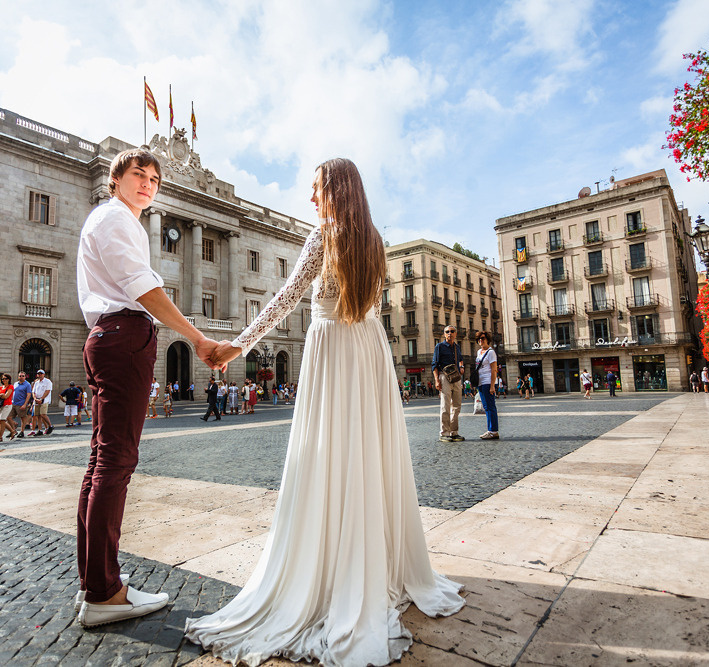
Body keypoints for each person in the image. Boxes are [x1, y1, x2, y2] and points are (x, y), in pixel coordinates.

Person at [188, 157, 464, 666]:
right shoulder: (373, 238)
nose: (311, 198)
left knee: (329, 451)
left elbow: (284, 300)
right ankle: (370, 557)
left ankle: (331, 562)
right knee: (366, 450)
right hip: (369, 349)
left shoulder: (325, 235)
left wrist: (237, 347)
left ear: (335, 190)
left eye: (316, 189)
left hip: (333, 349)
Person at [74, 147, 220, 627]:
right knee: (115, 463)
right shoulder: (116, 220)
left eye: (155, 178)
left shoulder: (116, 221)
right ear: (116, 180)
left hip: (110, 337)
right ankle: (104, 593)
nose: (148, 183)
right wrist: (197, 336)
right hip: (123, 338)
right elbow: (143, 287)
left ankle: (98, 583)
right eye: (139, 174)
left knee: (101, 463)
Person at [432, 325, 464, 442]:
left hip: (456, 377)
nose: (449, 333)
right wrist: (437, 380)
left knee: (457, 405)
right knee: (445, 405)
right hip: (444, 377)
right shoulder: (439, 347)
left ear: (456, 334)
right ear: (444, 334)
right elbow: (434, 364)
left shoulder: (457, 347)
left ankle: (454, 432)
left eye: (452, 331)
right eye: (447, 332)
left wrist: (462, 366)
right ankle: (444, 433)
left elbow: (460, 359)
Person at [474, 331, 499, 439]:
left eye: (483, 338)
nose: (481, 340)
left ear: (487, 339)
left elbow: (494, 370)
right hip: (480, 382)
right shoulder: (479, 352)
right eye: (479, 339)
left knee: (490, 407)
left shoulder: (491, 352)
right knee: (486, 407)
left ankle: (493, 431)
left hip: (488, 382)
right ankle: (491, 430)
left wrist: (492, 385)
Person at [29, 369, 54, 436]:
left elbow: (47, 391)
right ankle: (40, 430)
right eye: (38, 374)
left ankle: (50, 425)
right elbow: (33, 392)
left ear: (44, 374)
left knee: (43, 414)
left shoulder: (47, 381)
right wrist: (35, 398)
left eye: (41, 374)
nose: (39, 375)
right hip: (36, 400)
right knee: (38, 416)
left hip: (44, 400)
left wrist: (41, 398)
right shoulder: (36, 382)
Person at [0, 374, 16, 442]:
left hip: (7, 405)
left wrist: (0, 395)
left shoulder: (10, 387)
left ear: (9, 379)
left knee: (2, 420)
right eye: (3, 379)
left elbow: (6, 396)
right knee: (1, 422)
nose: (4, 380)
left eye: (5, 378)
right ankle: (12, 431)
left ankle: (0, 437)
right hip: (0, 405)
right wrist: (1, 395)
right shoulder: (0, 387)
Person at [11, 371, 34, 437]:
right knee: (8, 417)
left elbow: (28, 395)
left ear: (25, 377)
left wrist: (25, 404)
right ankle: (13, 430)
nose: (21, 377)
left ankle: (22, 431)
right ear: (18, 377)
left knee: (23, 418)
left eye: (23, 376)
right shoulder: (15, 384)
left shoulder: (27, 384)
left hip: (21, 404)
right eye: (20, 376)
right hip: (13, 403)